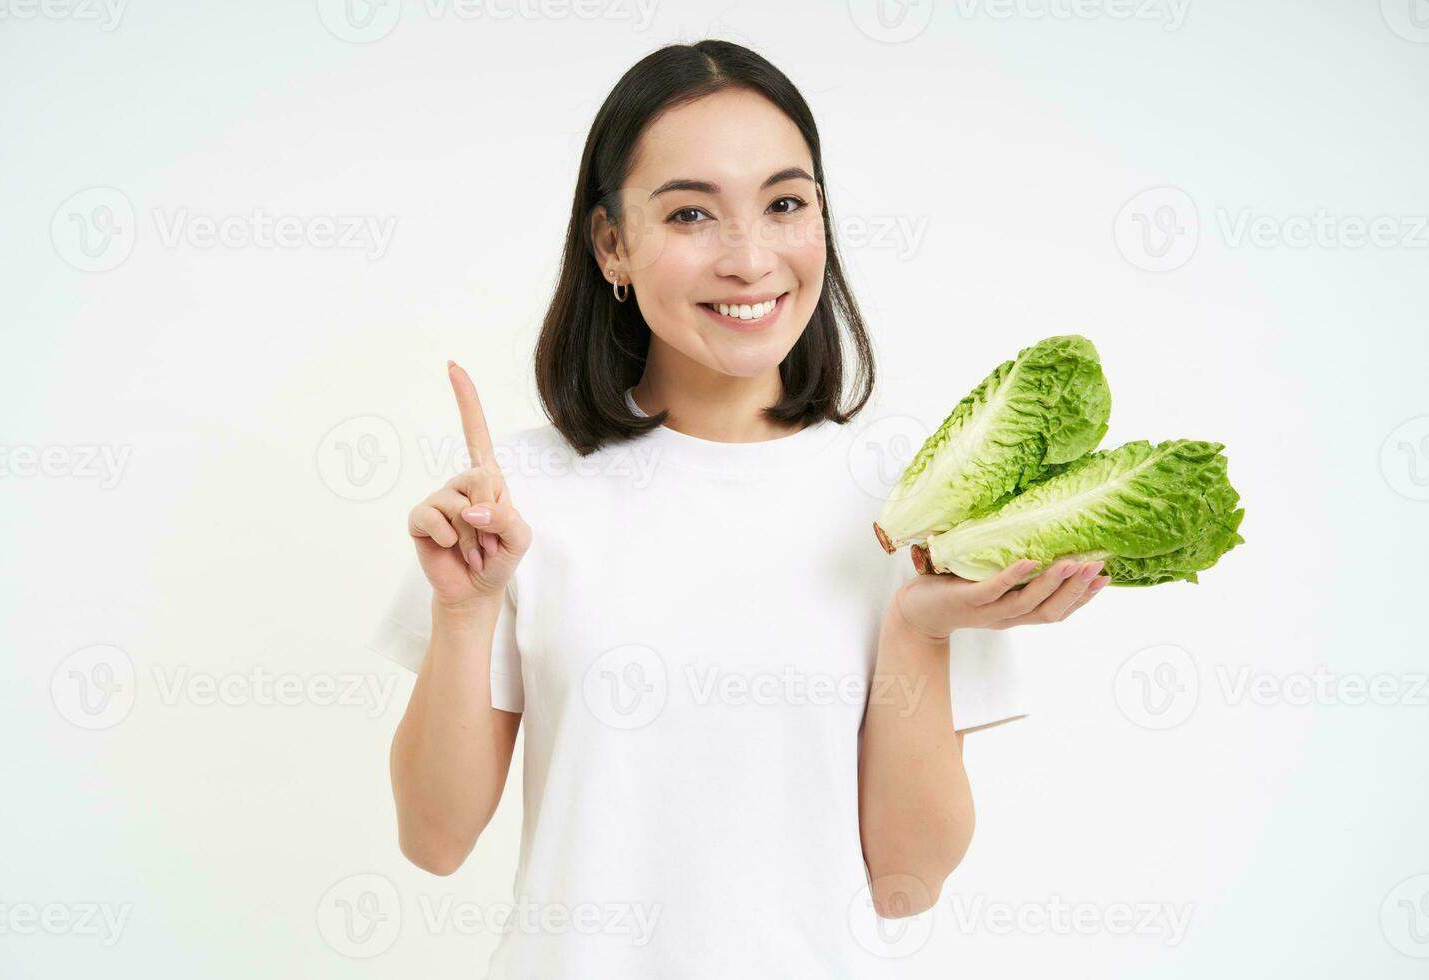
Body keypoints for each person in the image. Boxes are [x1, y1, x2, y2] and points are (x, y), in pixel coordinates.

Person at [368, 39, 1109, 979]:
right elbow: (434, 841)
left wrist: (915, 627)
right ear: (612, 245)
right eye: (690, 214)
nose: (751, 258)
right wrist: (466, 612)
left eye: (786, 204)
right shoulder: (513, 500)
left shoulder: (912, 503)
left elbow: (907, 881)